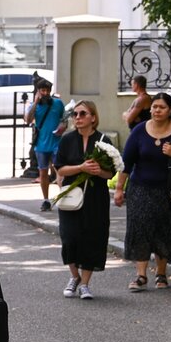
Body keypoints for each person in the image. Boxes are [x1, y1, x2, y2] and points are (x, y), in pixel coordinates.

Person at [114, 92, 171, 291]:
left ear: (170, 110)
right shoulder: (139, 131)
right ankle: (141, 276)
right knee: (141, 229)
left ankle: (161, 274)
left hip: (169, 191)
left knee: (164, 231)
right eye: (154, 107)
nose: (157, 110)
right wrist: (119, 189)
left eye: (161, 107)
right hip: (140, 188)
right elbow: (126, 163)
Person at [55, 101, 114, 300]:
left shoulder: (104, 140)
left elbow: (110, 173)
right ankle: (74, 277)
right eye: (75, 114)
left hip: (96, 198)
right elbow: (60, 169)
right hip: (72, 195)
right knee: (69, 238)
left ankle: (85, 284)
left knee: (92, 238)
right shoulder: (67, 139)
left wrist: (100, 171)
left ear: (93, 117)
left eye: (82, 113)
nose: (77, 117)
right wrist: (81, 168)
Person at [24, 76, 65, 211]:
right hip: (41, 145)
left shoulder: (58, 103)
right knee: (43, 173)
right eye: (43, 90)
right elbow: (28, 120)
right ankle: (46, 200)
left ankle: (64, 198)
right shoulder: (34, 106)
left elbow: (64, 119)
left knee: (60, 170)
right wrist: (35, 103)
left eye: (47, 90)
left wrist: (62, 126)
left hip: (56, 143)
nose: (46, 93)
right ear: (38, 91)